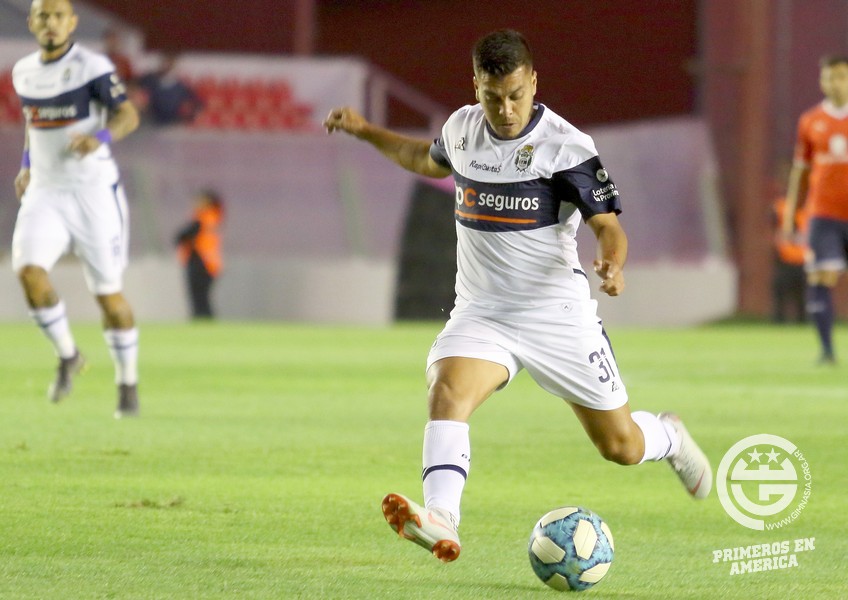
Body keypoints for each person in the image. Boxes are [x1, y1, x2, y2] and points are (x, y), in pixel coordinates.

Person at [323, 29, 712, 563]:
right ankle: (441, 518)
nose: (505, 110)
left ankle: (667, 436)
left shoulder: (566, 147)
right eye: (492, 97)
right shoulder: (461, 129)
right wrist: (366, 130)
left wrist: (613, 264)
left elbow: (607, 225)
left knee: (620, 446)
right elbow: (423, 159)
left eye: (515, 95)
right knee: (447, 392)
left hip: (556, 316)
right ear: (475, 86)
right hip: (483, 313)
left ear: (533, 82)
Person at [11, 0, 141, 418]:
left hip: (92, 192)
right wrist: (26, 165)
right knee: (29, 272)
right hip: (46, 192)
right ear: (32, 23)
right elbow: (33, 121)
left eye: (58, 16)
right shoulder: (23, 71)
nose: (50, 23)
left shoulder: (92, 66)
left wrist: (99, 138)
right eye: (43, 16)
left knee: (108, 296)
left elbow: (128, 115)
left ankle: (127, 383)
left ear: (72, 23)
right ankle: (68, 355)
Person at [783, 54, 848, 364]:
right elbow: (801, 171)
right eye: (828, 77)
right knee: (821, 276)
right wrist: (790, 215)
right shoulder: (810, 121)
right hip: (823, 213)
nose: (834, 83)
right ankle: (827, 351)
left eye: (840, 76)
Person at [174, 189, 225, 319]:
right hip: (209, 264)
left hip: (201, 262)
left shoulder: (203, 219)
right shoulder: (213, 217)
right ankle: (204, 320)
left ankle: (201, 319)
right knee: (202, 297)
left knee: (199, 297)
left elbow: (181, 236)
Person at [135, 53, 203, 126]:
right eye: (165, 63)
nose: (167, 65)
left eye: (170, 63)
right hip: (151, 118)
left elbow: (196, 102)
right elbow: (135, 88)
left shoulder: (181, 86)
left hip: (171, 121)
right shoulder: (149, 79)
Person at [771, 196, 807, 323]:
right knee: (780, 292)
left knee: (802, 295)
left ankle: (803, 321)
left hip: (802, 259)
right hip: (784, 259)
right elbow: (773, 225)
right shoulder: (781, 207)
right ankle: (778, 320)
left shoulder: (809, 208)